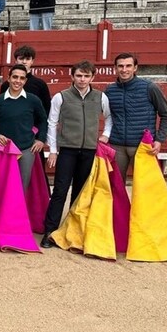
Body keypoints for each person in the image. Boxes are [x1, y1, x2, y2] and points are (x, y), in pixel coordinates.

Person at [42, 60, 113, 248]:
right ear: (72, 76)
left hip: (89, 150)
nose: (82, 79)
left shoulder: (100, 97)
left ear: (92, 77)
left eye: (86, 76)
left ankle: (71, 232)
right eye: (79, 75)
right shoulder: (61, 97)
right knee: (60, 191)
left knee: (81, 192)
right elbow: (51, 123)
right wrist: (53, 150)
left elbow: (109, 117)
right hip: (67, 150)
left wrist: (105, 135)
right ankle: (49, 231)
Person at [105, 53, 167, 182]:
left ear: (135, 68)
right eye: (121, 66)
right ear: (115, 68)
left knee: (145, 187)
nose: (124, 70)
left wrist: (159, 140)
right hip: (117, 146)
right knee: (115, 187)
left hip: (142, 146)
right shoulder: (110, 90)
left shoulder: (149, 87)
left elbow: (166, 115)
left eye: (128, 66)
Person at [0, 64, 48, 190]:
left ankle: (17, 210)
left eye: (21, 78)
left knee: (22, 185)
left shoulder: (33, 100)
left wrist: (41, 139)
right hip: (4, 149)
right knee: (2, 184)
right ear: (8, 78)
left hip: (26, 149)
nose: (17, 81)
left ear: (25, 80)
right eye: (15, 77)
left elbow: (43, 121)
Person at [0, 45, 51, 116]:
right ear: (16, 60)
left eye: (27, 59)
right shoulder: (6, 85)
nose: (24, 62)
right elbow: (2, 108)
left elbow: (46, 108)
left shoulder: (40, 84)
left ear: (32, 61)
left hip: (34, 125)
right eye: (21, 58)